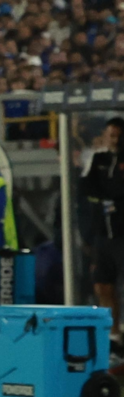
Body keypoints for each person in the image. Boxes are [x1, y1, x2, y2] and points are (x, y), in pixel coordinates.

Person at [82, 117, 124, 345]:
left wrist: (107, 195)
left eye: (118, 136)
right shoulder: (99, 159)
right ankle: (113, 333)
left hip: (121, 235)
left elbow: (116, 189)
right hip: (102, 235)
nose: (114, 140)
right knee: (102, 285)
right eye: (111, 135)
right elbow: (88, 187)